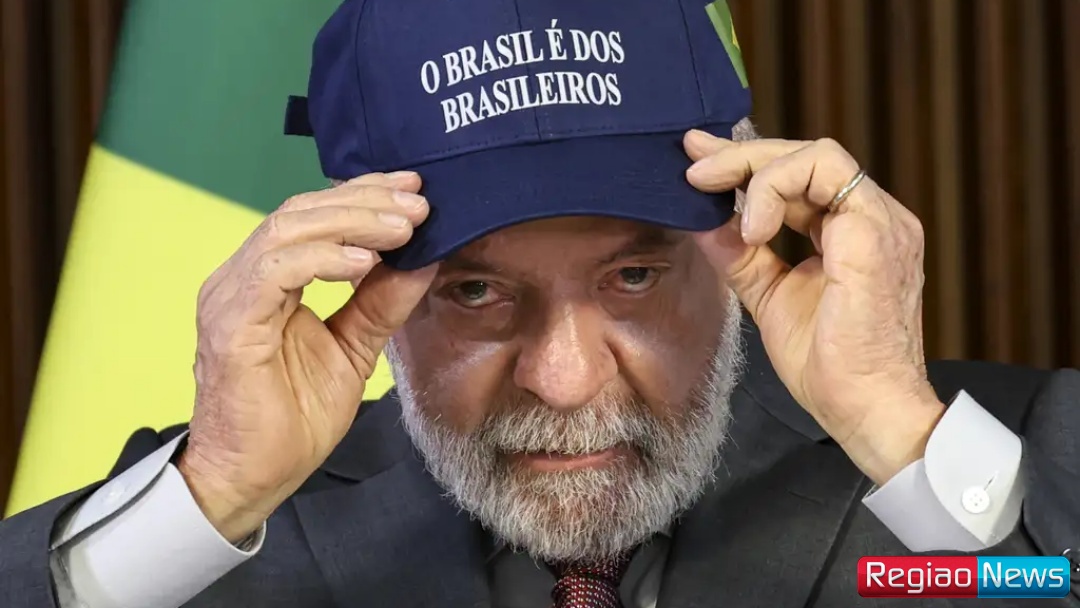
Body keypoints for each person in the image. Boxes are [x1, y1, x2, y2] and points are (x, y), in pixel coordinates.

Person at [2, 0, 1078, 606]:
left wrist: (896, 428)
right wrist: (214, 492)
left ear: (748, 222)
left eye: (633, 276)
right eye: (474, 289)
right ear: (355, 265)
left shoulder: (1027, 454)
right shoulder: (222, 527)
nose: (562, 380)